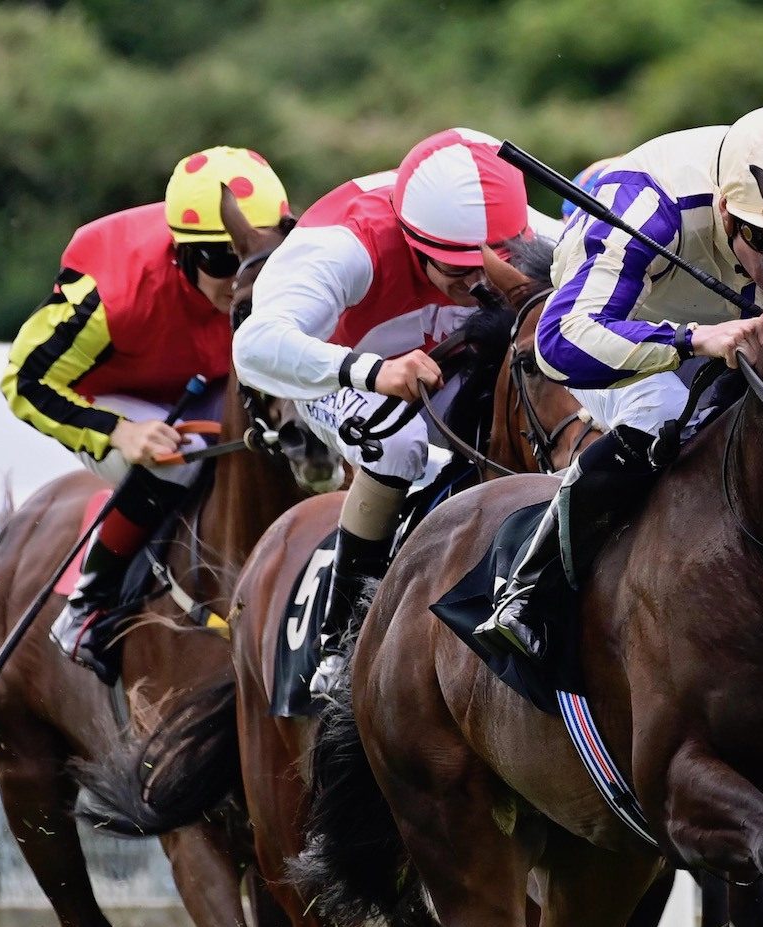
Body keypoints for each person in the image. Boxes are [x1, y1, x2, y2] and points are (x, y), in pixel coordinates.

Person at [474, 104, 763, 661]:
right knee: (665, 406)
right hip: (614, 330)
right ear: (727, 212)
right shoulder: (644, 203)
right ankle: (530, 588)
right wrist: (694, 340)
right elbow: (561, 345)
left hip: (729, 326)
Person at [234, 127, 558, 696]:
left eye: (493, 264)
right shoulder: (344, 243)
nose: (479, 284)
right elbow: (253, 349)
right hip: (337, 365)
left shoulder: (532, 230)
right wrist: (374, 372)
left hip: (446, 358)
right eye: (456, 271)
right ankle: (341, 638)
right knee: (400, 445)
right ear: (412, 242)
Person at [2, 145, 290, 680]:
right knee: (177, 458)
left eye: (256, 258)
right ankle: (90, 604)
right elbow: (23, 380)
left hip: (208, 384)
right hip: (112, 397)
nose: (239, 277)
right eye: (221, 261)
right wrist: (120, 434)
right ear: (181, 252)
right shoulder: (110, 295)